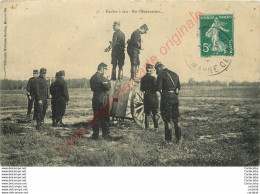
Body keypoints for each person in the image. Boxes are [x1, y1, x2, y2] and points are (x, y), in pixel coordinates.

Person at [155, 62, 181, 144]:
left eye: (156, 70)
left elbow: (158, 89)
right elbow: (177, 90)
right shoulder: (175, 74)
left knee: (167, 120)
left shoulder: (161, 75)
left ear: (159, 68)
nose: (156, 72)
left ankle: (168, 140)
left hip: (166, 98)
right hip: (175, 98)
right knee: (176, 119)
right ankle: (179, 139)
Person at [90, 62, 111, 140]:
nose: (106, 71)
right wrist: (108, 80)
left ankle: (95, 135)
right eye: (105, 69)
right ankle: (106, 135)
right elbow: (108, 87)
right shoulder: (102, 78)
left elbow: (92, 89)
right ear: (102, 69)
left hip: (95, 98)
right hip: (103, 99)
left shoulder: (92, 77)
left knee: (96, 117)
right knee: (105, 117)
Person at [140, 64, 159, 130]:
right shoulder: (154, 78)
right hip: (153, 96)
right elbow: (157, 88)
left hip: (146, 96)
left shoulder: (143, 78)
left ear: (146, 69)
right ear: (151, 69)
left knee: (147, 113)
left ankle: (147, 128)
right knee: (155, 113)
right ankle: (156, 128)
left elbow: (142, 89)